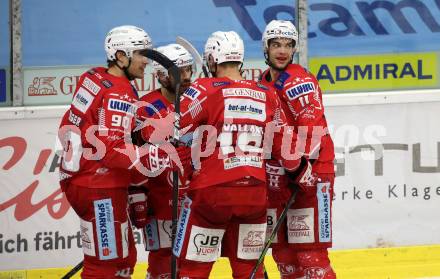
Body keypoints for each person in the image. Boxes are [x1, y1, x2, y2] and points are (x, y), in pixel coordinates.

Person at [172, 31, 315, 279]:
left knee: (194, 268)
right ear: (240, 59)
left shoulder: (203, 89)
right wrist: (302, 173)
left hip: (212, 195)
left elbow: (176, 132)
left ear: (212, 60)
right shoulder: (266, 93)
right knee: (249, 268)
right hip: (253, 195)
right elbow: (284, 146)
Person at [57, 25, 190, 278]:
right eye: (140, 54)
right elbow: (112, 150)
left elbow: (73, 124)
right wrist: (160, 156)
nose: (146, 61)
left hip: (79, 180)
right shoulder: (119, 91)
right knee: (110, 264)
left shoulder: (93, 77)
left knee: (122, 258)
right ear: (120, 56)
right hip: (99, 188)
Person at [259, 20, 336, 279]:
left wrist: (299, 166)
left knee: (310, 256)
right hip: (279, 176)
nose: (282, 50)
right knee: (283, 255)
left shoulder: (299, 81)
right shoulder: (262, 84)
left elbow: (311, 133)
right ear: (265, 48)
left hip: (311, 173)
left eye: (288, 45)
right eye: (276, 44)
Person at [131, 43, 195, 279]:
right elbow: (133, 155)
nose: (186, 77)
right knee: (162, 264)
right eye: (179, 72)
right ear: (159, 75)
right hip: (159, 200)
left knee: (192, 263)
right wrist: (136, 193)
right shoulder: (144, 108)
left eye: (189, 70)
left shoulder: (198, 100)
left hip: (194, 199)